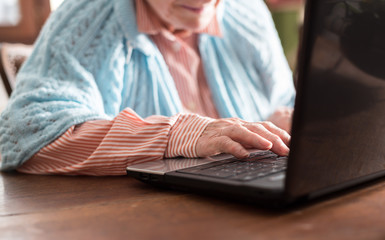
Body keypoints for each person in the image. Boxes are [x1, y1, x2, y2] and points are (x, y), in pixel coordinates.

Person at [0, 0, 295, 175]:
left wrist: (285, 121)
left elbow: (281, 99)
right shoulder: (90, 13)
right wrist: (181, 134)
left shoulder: (247, 10)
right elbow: (25, 135)